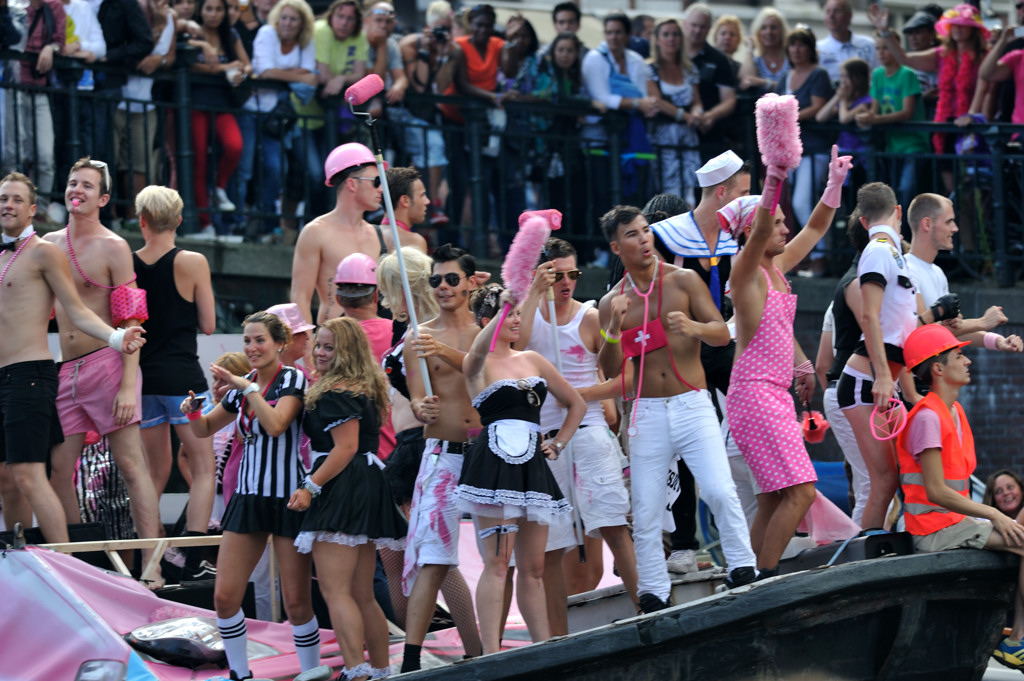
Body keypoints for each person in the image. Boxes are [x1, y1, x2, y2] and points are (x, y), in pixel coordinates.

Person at [597, 205, 758, 613]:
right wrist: (613, 330)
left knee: (720, 489)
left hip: (691, 403)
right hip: (647, 411)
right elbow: (612, 370)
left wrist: (695, 328)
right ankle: (652, 590)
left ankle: (743, 566)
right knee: (648, 507)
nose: (644, 239)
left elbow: (723, 334)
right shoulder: (611, 302)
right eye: (632, 234)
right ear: (617, 247)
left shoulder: (683, 280)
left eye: (646, 230)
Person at [723, 145, 852, 576]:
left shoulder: (776, 268)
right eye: (775, 222)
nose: (784, 227)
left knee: (772, 498)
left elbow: (816, 227)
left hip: (772, 395)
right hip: (755, 395)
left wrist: (833, 185)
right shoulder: (745, 273)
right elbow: (759, 231)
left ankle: (743, 573)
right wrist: (773, 178)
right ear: (750, 233)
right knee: (801, 493)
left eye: (782, 221)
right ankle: (764, 578)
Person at [0, 172, 144, 544]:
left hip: (42, 372)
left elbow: (81, 310)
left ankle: (78, 567)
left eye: (17, 199)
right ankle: (25, 558)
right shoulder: (22, 251)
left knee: (36, 474)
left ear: (32, 209)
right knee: (19, 478)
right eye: (3, 198)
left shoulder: (51, 250)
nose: (7, 205)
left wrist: (117, 339)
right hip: (49, 371)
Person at [44, 158, 164, 583]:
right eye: (72, 183)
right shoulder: (47, 244)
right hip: (65, 369)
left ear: (103, 198)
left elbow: (133, 321)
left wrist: (128, 386)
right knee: (59, 468)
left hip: (109, 364)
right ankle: (83, 565)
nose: (77, 190)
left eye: (87, 186)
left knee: (132, 465)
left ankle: (152, 568)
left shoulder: (114, 247)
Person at [181, 311, 318, 681]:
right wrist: (194, 413)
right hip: (248, 496)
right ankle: (240, 674)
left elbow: (276, 425)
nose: (252, 347)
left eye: (259, 340)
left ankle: (310, 673)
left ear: (280, 344)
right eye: (247, 341)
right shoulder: (249, 383)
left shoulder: (292, 377)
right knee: (225, 597)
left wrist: (248, 389)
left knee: (297, 602)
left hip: (290, 498)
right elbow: (206, 429)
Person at [456, 284, 585, 652]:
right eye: (506, 313)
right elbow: (477, 351)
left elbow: (574, 403)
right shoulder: (475, 362)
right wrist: (505, 306)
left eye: (516, 312)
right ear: (487, 320)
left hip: (533, 465)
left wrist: (557, 442)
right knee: (497, 563)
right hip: (494, 464)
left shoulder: (533, 359)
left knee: (535, 568)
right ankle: (491, 656)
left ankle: (542, 651)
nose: (514, 318)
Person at [515, 237, 639, 612]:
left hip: (588, 434)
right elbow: (514, 351)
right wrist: (533, 293)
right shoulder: (527, 314)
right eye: (557, 275)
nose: (566, 282)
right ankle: (557, 639)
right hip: (542, 442)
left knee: (614, 528)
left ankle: (648, 614)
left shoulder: (589, 316)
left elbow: (624, 377)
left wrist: (579, 394)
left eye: (573, 274)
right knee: (550, 550)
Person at [892, 324, 1024, 671]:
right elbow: (936, 491)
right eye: (959, 355)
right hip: (935, 529)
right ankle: (1017, 641)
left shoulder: (955, 413)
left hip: (957, 522)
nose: (967, 360)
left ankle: (1018, 640)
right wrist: (994, 514)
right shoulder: (927, 418)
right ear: (937, 369)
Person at [289, 317, 407, 681]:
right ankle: (381, 671)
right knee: (361, 592)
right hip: (366, 482)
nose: (321, 353)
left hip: (342, 484)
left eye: (329, 347)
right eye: (319, 345)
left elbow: (346, 447)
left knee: (335, 589)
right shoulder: (363, 387)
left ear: (347, 352)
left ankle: (357, 671)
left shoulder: (336, 391)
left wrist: (310, 486)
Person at [835, 182, 945, 531]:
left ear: (864, 220)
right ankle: (865, 557)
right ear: (898, 212)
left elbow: (904, 330)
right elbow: (870, 317)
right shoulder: (880, 251)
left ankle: (877, 547)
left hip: (884, 381)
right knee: (883, 481)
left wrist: (906, 390)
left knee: (891, 479)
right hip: (866, 382)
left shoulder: (891, 254)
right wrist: (885, 377)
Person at [400, 244, 484, 673]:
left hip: (491, 454)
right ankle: (411, 661)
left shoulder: (488, 327)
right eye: (436, 280)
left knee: (502, 558)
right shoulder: (417, 335)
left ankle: (487, 653)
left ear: (471, 281)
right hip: (443, 453)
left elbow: (483, 367)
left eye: (453, 278)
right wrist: (420, 408)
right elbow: (416, 395)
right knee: (432, 559)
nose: (444, 287)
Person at [133, 185, 218, 581]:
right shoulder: (193, 261)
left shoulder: (128, 263)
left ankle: (148, 560)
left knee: (152, 472)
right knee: (203, 467)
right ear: (180, 220)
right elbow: (209, 324)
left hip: (143, 379)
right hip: (184, 381)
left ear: (141, 220)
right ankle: (196, 553)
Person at [869, 2, 990, 239]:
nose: (957, 30)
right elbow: (905, 58)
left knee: (974, 193)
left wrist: (973, 116)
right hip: (945, 129)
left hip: (972, 129)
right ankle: (964, 250)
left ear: (973, 30)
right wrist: (885, 31)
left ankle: (980, 251)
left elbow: (986, 89)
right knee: (952, 193)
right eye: (953, 25)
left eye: (963, 25)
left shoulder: (982, 57)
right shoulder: (943, 55)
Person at [236, 0, 318, 243]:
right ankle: (236, 222)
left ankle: (267, 223)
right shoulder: (266, 32)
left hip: (275, 114)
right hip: (250, 109)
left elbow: (312, 79)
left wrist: (281, 74)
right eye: (284, 18)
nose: (288, 23)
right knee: (245, 168)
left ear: (302, 23)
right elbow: (264, 70)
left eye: (294, 19)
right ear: (276, 19)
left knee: (275, 168)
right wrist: (296, 74)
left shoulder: (306, 42)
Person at [905, 193, 1024, 352]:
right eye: (948, 221)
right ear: (927, 224)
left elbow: (951, 332)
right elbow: (922, 334)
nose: (955, 228)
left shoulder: (937, 272)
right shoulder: (906, 269)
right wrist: (982, 322)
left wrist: (998, 341)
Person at [290, 142, 385, 326]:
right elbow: (300, 297)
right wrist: (309, 349)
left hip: (377, 341)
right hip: (335, 341)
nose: (381, 189)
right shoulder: (316, 232)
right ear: (352, 184)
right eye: (376, 182)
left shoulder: (377, 234)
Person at [580, 12, 657, 214]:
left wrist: (641, 103)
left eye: (618, 32)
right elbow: (602, 97)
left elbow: (643, 93)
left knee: (631, 197)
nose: (613, 37)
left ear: (628, 35)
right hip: (599, 139)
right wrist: (636, 103)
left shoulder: (636, 60)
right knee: (603, 195)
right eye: (609, 32)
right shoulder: (594, 58)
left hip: (631, 138)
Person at [188, 0, 251, 235]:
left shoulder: (230, 34)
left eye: (218, 9)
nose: (214, 14)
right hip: (195, 103)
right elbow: (189, 65)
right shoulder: (193, 31)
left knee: (234, 146)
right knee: (199, 162)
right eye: (209, 8)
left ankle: (218, 186)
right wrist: (217, 65)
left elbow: (248, 66)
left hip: (223, 103)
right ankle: (205, 222)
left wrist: (241, 72)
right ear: (200, 10)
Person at [394, 1, 455, 227]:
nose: (442, 34)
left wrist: (443, 57)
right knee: (433, 147)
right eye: (439, 28)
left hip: (430, 117)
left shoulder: (451, 50)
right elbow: (418, 85)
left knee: (436, 151)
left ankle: (433, 204)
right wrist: (425, 51)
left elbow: (441, 86)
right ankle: (425, 205)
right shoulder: (412, 44)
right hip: (405, 114)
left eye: (446, 29)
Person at [776, 27, 833, 263]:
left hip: (814, 148)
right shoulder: (784, 77)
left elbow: (818, 106)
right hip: (790, 151)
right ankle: (814, 255)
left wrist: (789, 115)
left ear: (810, 49)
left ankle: (821, 255)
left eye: (802, 45)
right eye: (793, 45)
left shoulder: (818, 74)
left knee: (802, 201)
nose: (797, 50)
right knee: (794, 203)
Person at [855, 35, 929, 210]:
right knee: (894, 191)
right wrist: (864, 115)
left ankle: (907, 232)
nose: (881, 53)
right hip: (891, 144)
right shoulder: (878, 74)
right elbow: (875, 109)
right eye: (878, 48)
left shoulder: (907, 74)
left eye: (886, 48)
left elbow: (907, 113)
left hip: (913, 143)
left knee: (906, 188)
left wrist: (875, 118)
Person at [7, 0, 65, 218]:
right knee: (13, 154)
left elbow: (60, 40)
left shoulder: (53, 6)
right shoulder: (13, 5)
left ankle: (39, 209)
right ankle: (10, 208)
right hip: (11, 87)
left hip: (39, 88)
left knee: (45, 155)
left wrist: (52, 47)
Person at [646, 18, 703, 206]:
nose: (671, 39)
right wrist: (685, 116)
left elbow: (696, 101)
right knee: (668, 191)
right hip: (664, 137)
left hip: (687, 135)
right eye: (666, 34)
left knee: (689, 192)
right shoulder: (650, 69)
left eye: (675, 34)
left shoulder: (689, 69)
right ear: (657, 39)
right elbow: (656, 101)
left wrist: (697, 112)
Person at [682, 4, 738, 161]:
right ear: (684, 24)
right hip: (675, 133)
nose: (697, 30)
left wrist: (711, 115)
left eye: (703, 27)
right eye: (694, 25)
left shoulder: (719, 59)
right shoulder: (671, 54)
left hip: (709, 135)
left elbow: (729, 100)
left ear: (709, 29)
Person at [816, 57, 872, 156]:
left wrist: (843, 100)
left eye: (847, 77)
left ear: (858, 78)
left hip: (861, 155)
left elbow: (844, 119)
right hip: (843, 151)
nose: (843, 81)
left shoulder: (866, 101)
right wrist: (837, 96)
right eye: (842, 76)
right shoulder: (844, 101)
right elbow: (820, 117)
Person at [816, 0, 878, 83]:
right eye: (828, 11)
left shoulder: (869, 45)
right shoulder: (818, 49)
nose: (831, 16)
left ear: (849, 15)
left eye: (837, 11)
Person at [739, 8, 790, 93]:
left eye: (773, 27)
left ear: (782, 31)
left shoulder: (791, 59)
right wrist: (750, 49)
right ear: (758, 32)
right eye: (763, 28)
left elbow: (796, 88)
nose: (769, 32)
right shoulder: (756, 61)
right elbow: (746, 81)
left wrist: (764, 83)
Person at [381, 167, 429, 253]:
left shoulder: (370, 235)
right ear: (405, 200)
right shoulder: (415, 241)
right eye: (422, 195)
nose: (427, 201)